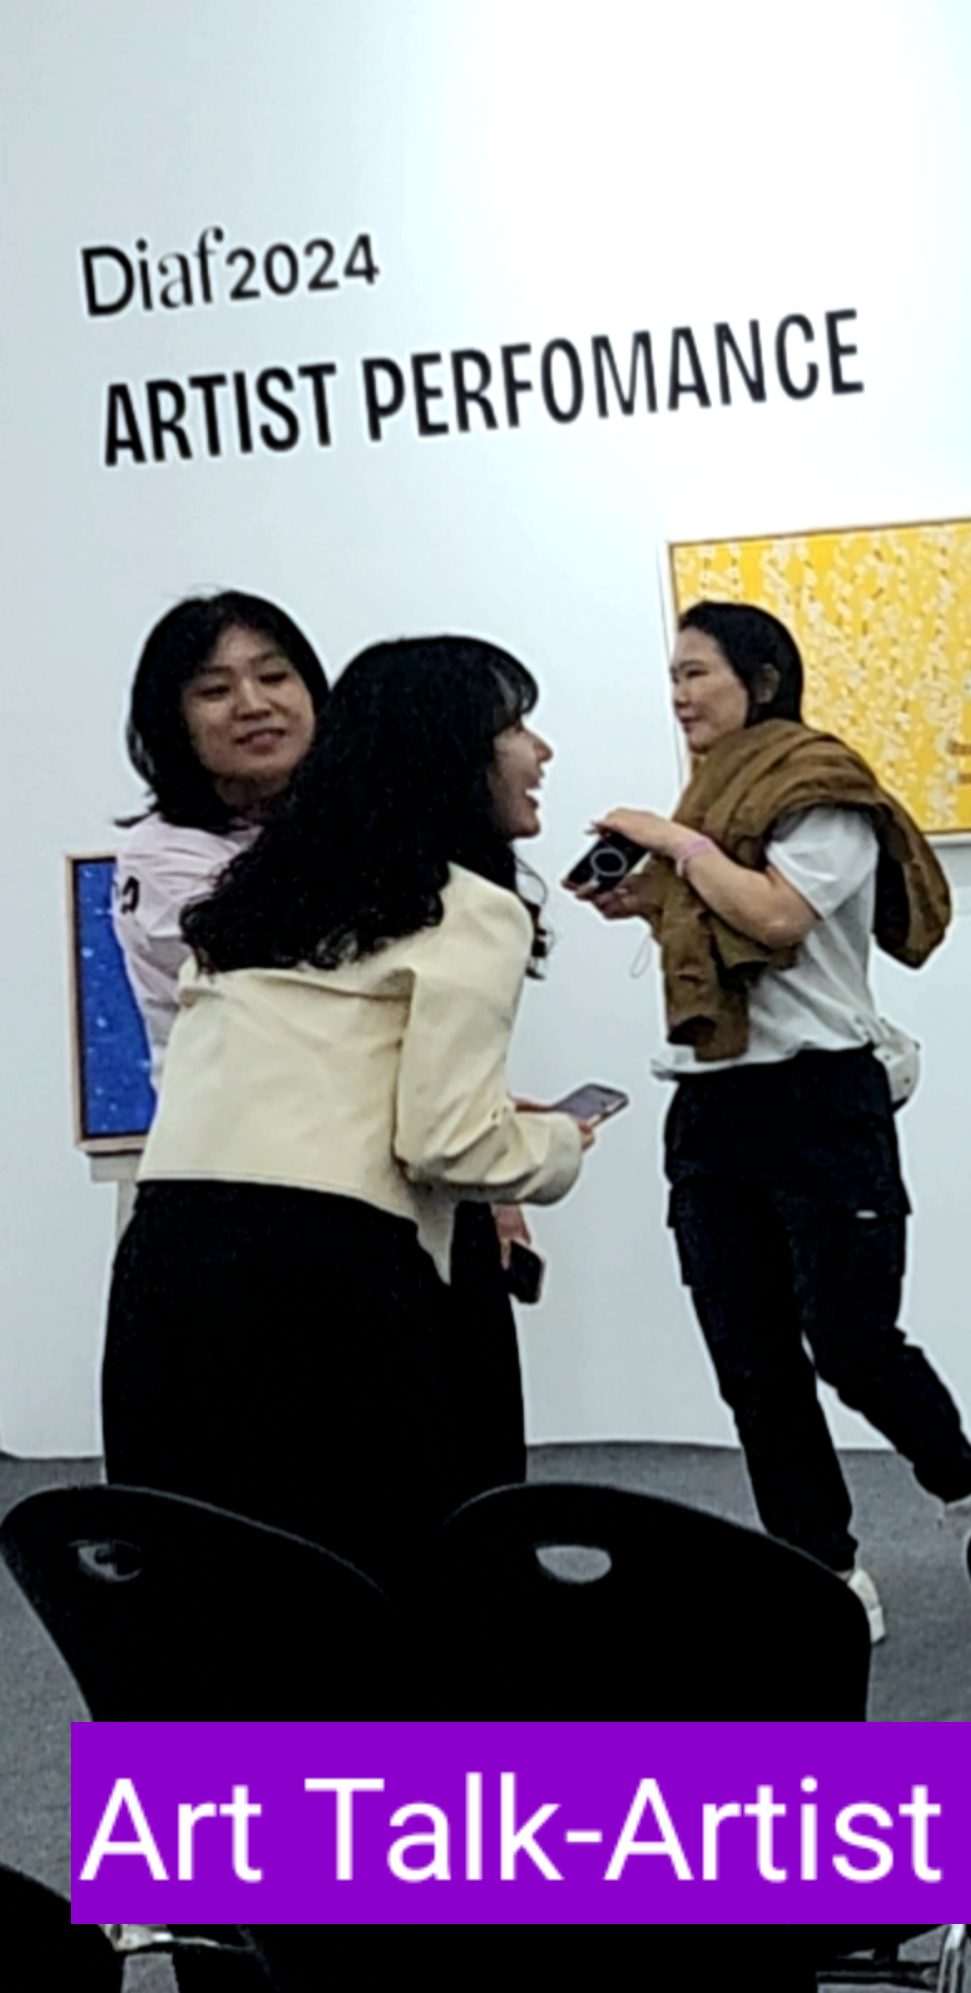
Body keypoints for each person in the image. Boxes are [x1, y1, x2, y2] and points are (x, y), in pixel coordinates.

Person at [105, 638, 596, 1595]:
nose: (540, 753)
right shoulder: (470, 908)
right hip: (326, 1282)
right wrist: (557, 1144)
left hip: (165, 1265)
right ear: (452, 752)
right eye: (515, 727)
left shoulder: (252, 898)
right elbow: (450, 1144)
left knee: (204, 1595)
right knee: (383, 1592)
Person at [579, 601, 971, 1644]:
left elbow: (775, 916)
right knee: (753, 1361)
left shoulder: (821, 791)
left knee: (852, 1341)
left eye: (698, 673)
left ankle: (969, 1489)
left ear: (761, 680)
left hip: (820, 1099)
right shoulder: (710, 805)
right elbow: (724, 910)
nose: (680, 695)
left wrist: (677, 846)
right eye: (672, 676)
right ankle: (825, 1564)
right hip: (712, 1103)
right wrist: (651, 897)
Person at [113, 592, 329, 1074]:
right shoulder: (160, 857)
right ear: (173, 722)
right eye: (215, 691)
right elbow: (299, 974)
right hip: (244, 1113)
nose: (254, 705)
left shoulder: (351, 820)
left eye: (273, 677)